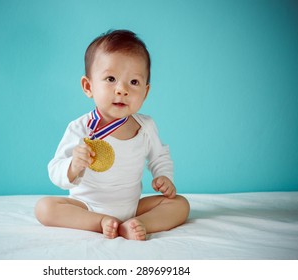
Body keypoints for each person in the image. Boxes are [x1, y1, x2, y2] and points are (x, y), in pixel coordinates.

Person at [35, 29, 189, 240]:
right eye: (110, 78)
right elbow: (55, 171)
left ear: (145, 91)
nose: (122, 90)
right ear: (88, 86)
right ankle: (100, 222)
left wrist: (163, 177)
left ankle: (139, 224)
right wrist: (73, 165)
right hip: (86, 206)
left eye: (134, 82)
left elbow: (159, 157)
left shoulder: (145, 126)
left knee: (180, 204)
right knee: (45, 208)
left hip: (132, 207)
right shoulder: (81, 127)